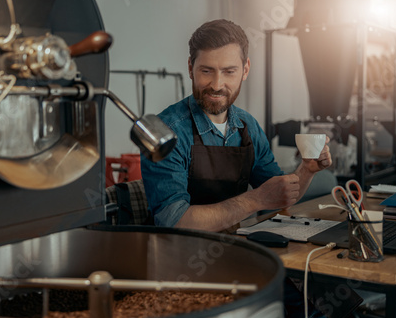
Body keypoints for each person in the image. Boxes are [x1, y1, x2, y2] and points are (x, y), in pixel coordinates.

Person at [140, 19, 332, 232]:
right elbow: (174, 222)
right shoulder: (166, 131)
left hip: (234, 249)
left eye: (229, 71)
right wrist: (254, 200)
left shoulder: (247, 126)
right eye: (206, 71)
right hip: (178, 257)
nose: (216, 84)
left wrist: (307, 170)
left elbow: (280, 198)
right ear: (190, 68)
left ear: (245, 69)